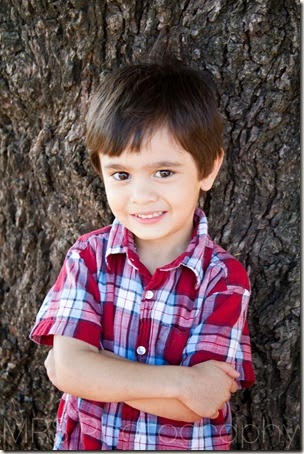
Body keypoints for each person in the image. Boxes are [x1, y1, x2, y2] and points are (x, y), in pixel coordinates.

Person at [30, 59, 255, 450]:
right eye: (121, 174)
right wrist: (181, 382)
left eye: (164, 172)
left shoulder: (223, 277)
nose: (141, 196)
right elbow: (68, 369)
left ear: (208, 169)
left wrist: (92, 373)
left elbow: (201, 404)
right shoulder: (87, 257)